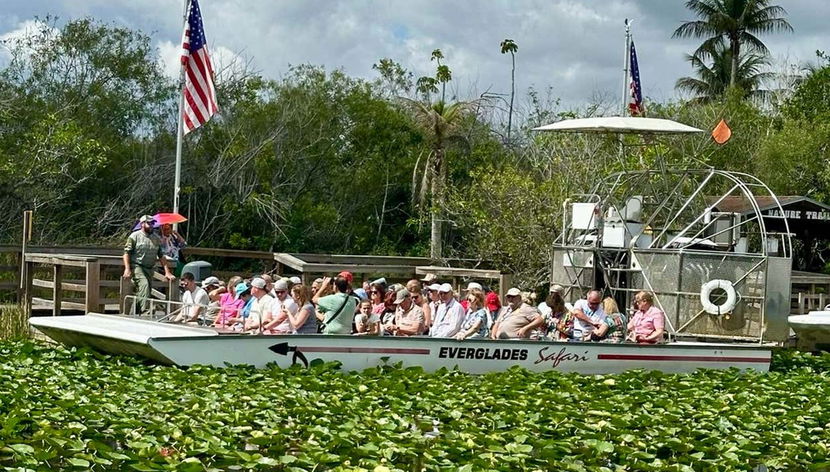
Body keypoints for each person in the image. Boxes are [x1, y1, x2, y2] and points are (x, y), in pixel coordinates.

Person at [122, 215, 174, 314]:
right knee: (144, 285)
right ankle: (144, 310)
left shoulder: (156, 238)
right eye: (149, 223)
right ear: (142, 224)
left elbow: (161, 256)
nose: (151, 225)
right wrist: (127, 269)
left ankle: (135, 313)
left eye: (153, 223)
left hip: (150, 268)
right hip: (137, 266)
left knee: (145, 291)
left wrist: (167, 272)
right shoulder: (134, 236)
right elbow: (126, 253)